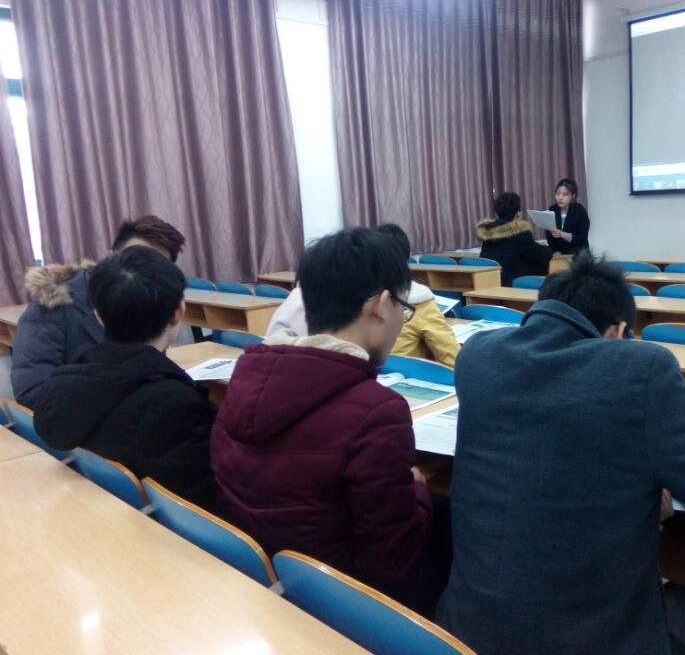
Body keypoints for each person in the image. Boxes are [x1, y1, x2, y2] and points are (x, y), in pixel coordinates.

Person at [438, 253, 685, 655]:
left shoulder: (478, 356)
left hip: (460, 636)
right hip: (582, 642)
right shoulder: (640, 372)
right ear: (617, 331)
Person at [211, 228, 438, 611]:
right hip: (342, 608)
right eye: (404, 306)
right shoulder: (377, 412)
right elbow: (393, 565)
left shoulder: (245, 379)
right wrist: (418, 489)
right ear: (381, 305)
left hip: (264, 588)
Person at [31, 247, 217, 511]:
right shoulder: (177, 404)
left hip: (106, 512)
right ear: (179, 311)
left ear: (98, 315)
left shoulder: (63, 383)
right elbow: (203, 504)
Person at [12, 215, 186, 407]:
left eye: (155, 267)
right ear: (111, 258)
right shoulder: (52, 306)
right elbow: (31, 388)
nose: (141, 272)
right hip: (78, 417)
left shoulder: (153, 298)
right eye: (133, 258)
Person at [265, 224, 460, 368]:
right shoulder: (378, 405)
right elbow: (453, 357)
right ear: (382, 307)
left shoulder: (258, 372)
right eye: (403, 308)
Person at [476, 192, 552, 286]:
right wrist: (549, 250)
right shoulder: (519, 232)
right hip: (514, 283)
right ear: (517, 213)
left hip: (490, 282)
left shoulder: (488, 231)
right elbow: (540, 255)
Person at [545, 178, 590, 255]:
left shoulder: (579, 210)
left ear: (573, 196)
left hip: (578, 252)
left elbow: (582, 238)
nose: (560, 198)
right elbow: (549, 236)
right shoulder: (552, 209)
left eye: (565, 194)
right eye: (558, 194)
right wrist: (556, 252)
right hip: (559, 252)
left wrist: (563, 234)